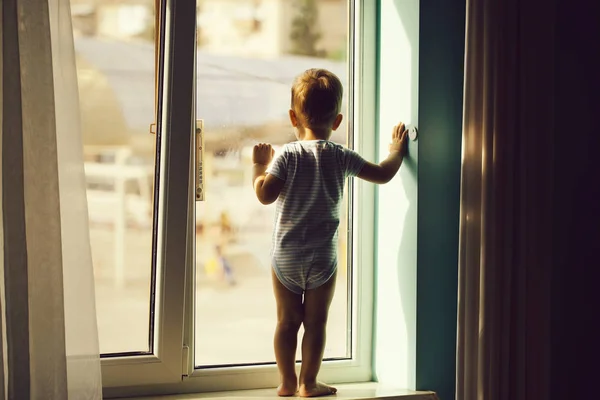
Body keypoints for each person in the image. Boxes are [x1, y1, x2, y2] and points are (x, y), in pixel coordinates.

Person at [251, 68, 408, 397]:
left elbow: (264, 195)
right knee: (316, 322)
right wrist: (396, 151)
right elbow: (382, 174)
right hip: (323, 257)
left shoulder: (287, 156)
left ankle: (286, 382)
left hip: (287, 255)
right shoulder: (341, 156)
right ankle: (309, 382)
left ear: (293, 117)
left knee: (286, 321)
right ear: (337, 121)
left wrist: (259, 166)